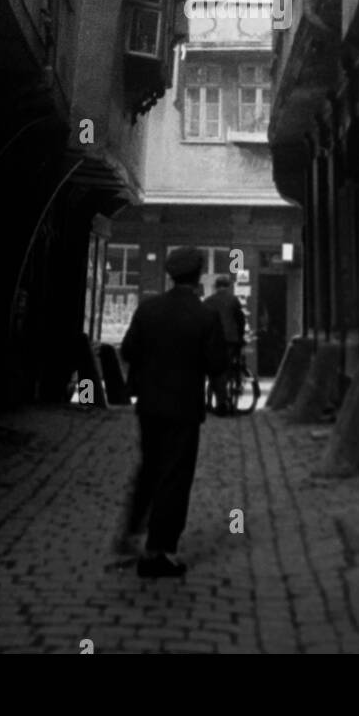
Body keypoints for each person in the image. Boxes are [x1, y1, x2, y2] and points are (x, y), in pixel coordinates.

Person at [119, 247, 228, 578]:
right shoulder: (205, 317)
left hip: (150, 407)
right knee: (175, 477)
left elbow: (127, 350)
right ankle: (158, 552)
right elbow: (217, 365)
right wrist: (221, 399)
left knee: (150, 468)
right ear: (197, 278)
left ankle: (131, 531)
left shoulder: (148, 310)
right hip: (183, 409)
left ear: (170, 275)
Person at [202, 275, 246, 414]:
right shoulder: (233, 300)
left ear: (216, 286)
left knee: (212, 369)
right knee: (223, 369)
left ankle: (211, 401)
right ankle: (222, 402)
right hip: (230, 340)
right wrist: (240, 337)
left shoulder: (208, 301)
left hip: (212, 341)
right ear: (228, 286)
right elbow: (240, 320)